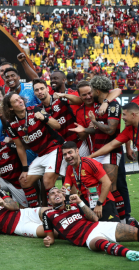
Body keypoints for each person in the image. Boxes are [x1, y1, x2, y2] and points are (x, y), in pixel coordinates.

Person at [70, 78, 124, 220]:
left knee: (111, 187)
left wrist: (94, 121)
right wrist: (86, 129)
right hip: (99, 150)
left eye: (91, 91)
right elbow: (98, 130)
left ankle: (121, 219)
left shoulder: (112, 105)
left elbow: (110, 130)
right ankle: (111, 217)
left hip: (111, 151)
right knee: (105, 186)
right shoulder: (99, 105)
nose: (90, 94)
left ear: (97, 91)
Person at [42, 187, 139, 262]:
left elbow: (94, 218)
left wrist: (80, 202)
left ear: (64, 197)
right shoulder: (47, 214)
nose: (56, 194)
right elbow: (50, 237)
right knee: (100, 244)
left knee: (136, 233)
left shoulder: (75, 205)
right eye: (52, 194)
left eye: (58, 192)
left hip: (99, 226)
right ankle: (128, 253)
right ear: (49, 201)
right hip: (87, 237)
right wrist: (48, 241)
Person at [3, 93, 64, 207]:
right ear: (10, 107)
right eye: (16, 101)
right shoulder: (10, 124)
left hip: (55, 148)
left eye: (20, 98)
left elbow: (57, 125)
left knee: (47, 181)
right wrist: (25, 169)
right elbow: (20, 147)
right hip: (40, 155)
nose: (20, 101)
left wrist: (44, 118)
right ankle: (35, 210)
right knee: (24, 181)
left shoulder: (35, 110)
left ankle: (52, 212)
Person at [0, 174, 50, 238]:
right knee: (49, 231)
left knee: (50, 212)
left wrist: (4, 204)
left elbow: (15, 207)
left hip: (23, 213)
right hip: (17, 227)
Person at [61, 141, 120, 222]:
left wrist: (99, 204)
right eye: (65, 154)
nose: (68, 156)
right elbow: (67, 187)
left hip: (104, 201)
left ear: (77, 151)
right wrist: (64, 192)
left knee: (112, 230)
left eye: (70, 152)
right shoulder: (69, 169)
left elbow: (107, 182)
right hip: (86, 203)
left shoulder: (89, 163)